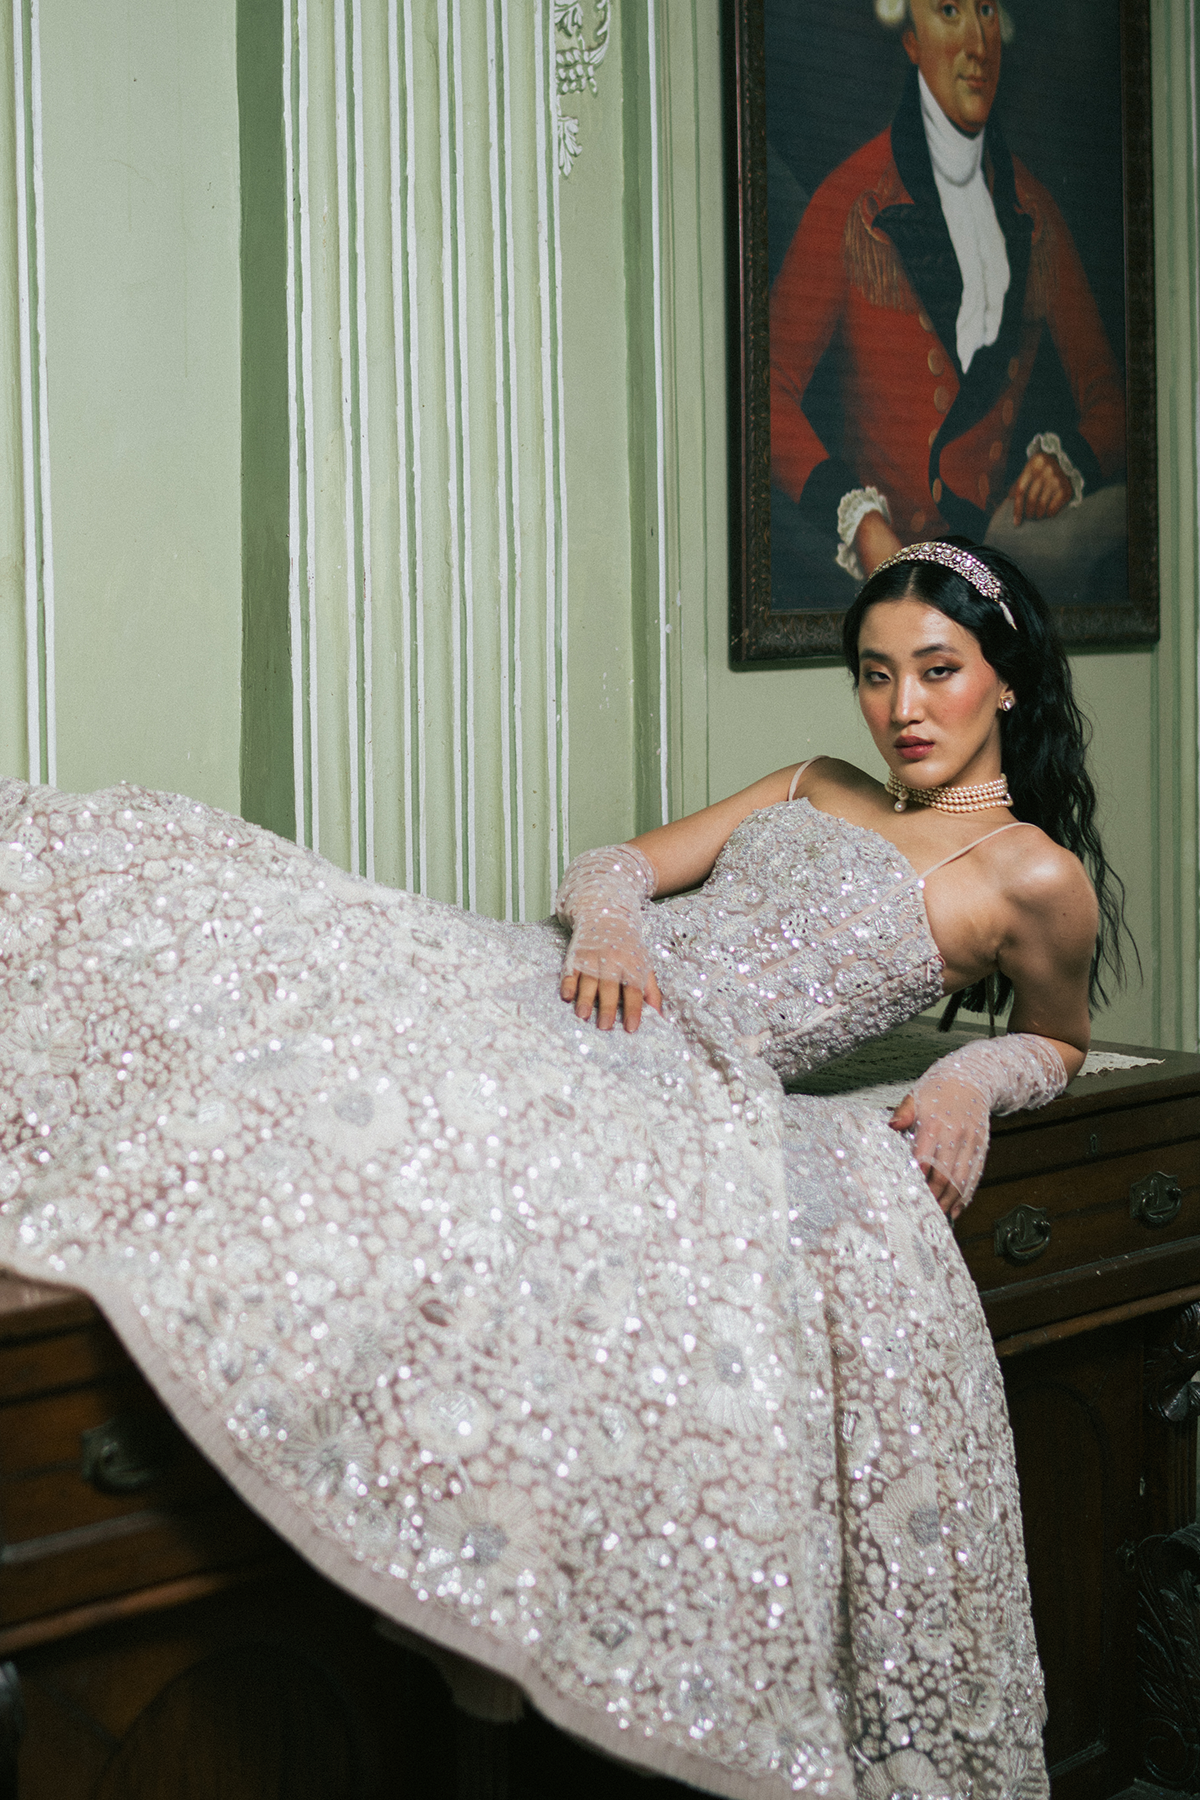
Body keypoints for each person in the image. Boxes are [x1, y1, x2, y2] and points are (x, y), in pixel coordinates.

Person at [0, 541, 1126, 1798]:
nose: (903, 707)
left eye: (937, 670)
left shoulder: (1033, 875)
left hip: (677, 1067)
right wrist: (610, 926)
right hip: (565, 980)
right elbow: (616, 865)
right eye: (875, 673)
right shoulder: (817, 783)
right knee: (217, 917)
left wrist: (971, 1080)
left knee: (408, 1129)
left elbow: (1061, 1037)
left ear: (1006, 679)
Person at [769, 0, 1126, 594]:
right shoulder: (853, 202)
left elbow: (1112, 398)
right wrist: (859, 519)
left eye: (986, 11)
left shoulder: (1035, 212)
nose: (977, 45)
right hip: (891, 581)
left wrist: (1072, 461)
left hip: (992, 578)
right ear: (910, 40)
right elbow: (768, 395)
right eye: (950, 10)